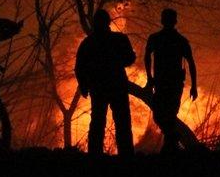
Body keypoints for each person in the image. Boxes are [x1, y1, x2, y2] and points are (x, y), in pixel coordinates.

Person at [75, 10, 136, 157]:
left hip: (98, 86)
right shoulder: (119, 39)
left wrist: (83, 85)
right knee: (122, 123)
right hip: (117, 85)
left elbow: (79, 67)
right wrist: (117, 61)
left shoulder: (88, 42)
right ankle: (126, 156)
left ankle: (95, 156)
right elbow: (130, 58)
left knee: (97, 122)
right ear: (108, 22)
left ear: (95, 23)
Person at [144, 8, 197, 155]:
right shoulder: (178, 40)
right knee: (164, 114)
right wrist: (193, 86)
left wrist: (194, 86)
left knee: (166, 114)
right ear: (175, 21)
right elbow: (147, 56)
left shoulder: (159, 39)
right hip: (167, 83)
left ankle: (170, 147)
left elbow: (191, 62)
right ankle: (172, 141)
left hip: (168, 83)